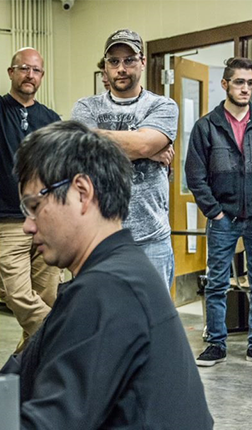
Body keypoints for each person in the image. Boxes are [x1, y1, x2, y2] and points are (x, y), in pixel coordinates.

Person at [0, 121, 231, 430]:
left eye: (34, 206)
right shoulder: (119, 273)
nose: (27, 225)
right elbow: (23, 374)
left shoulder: (108, 289)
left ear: (82, 192)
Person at [186, 57, 252, 367]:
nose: (245, 88)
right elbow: (196, 176)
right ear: (226, 84)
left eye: (249, 83)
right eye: (239, 82)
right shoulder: (207, 126)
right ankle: (216, 343)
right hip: (223, 219)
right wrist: (214, 212)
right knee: (217, 283)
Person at [72, 29, 178, 288]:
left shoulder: (162, 106)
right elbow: (81, 148)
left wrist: (141, 146)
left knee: (153, 324)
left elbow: (141, 145)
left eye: (129, 60)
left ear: (142, 62)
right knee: (102, 322)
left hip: (151, 241)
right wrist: (148, 148)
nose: (121, 68)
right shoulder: (86, 107)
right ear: (105, 66)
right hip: (96, 239)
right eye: (114, 61)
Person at [0, 47, 61, 349]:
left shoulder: (51, 120)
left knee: (48, 297)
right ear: (11, 72)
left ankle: (25, 375)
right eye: (23, 68)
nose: (29, 75)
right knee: (18, 295)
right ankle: (64, 336)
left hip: (47, 221)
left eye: (36, 70)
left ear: (42, 76)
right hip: (8, 221)